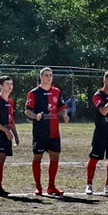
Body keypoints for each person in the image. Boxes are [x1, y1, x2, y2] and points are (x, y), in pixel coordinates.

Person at [27, 67, 66, 197]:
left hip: (54, 131)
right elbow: (27, 110)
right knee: (37, 157)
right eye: (46, 75)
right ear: (41, 77)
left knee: (55, 157)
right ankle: (38, 186)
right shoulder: (34, 93)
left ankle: (51, 186)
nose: (49, 77)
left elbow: (61, 107)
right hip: (40, 132)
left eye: (51, 75)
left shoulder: (56, 92)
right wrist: (35, 116)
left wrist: (64, 115)